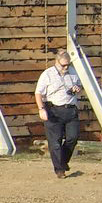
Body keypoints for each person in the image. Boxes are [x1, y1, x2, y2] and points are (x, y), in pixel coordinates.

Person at [35, 49, 82, 178]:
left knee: (73, 137)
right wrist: (41, 109)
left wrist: (77, 89)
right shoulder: (47, 74)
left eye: (68, 64)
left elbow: (79, 86)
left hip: (70, 109)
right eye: (63, 65)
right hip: (54, 110)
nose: (66, 67)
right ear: (56, 62)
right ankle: (59, 170)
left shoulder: (73, 72)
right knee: (55, 142)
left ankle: (63, 161)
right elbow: (38, 93)